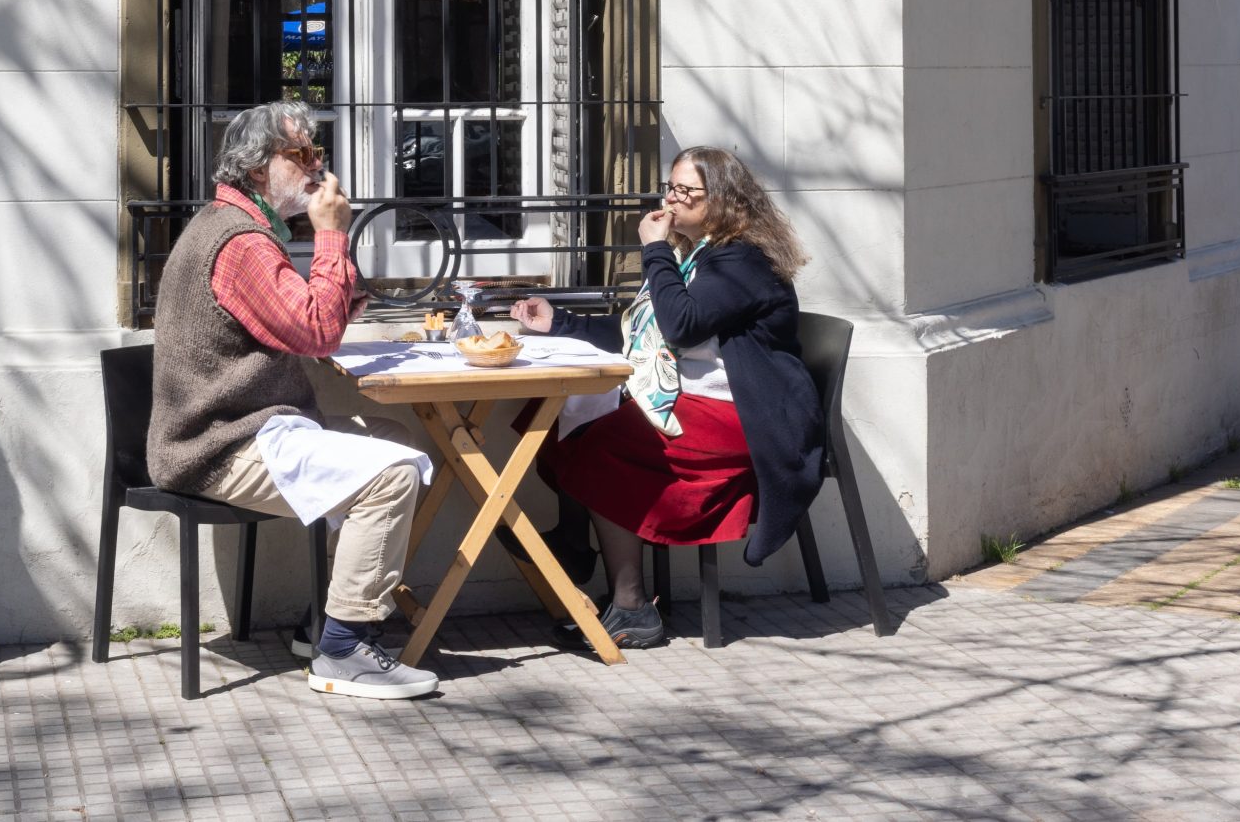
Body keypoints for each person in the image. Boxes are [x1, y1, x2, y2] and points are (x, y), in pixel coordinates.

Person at [148, 99, 438, 700]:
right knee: (390, 476)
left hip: (244, 427)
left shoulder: (243, 229)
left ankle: (324, 620)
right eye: (300, 153)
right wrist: (331, 233)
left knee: (394, 441)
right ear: (258, 169)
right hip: (218, 445)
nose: (315, 166)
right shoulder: (240, 242)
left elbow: (310, 318)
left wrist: (336, 277)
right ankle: (344, 648)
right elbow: (315, 333)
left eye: (317, 153)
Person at [510, 145, 823, 651]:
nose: (672, 200)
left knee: (600, 445)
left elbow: (681, 322)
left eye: (686, 191)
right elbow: (645, 334)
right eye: (670, 187)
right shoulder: (695, 253)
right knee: (559, 412)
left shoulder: (739, 261)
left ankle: (631, 606)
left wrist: (654, 250)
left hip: (743, 417)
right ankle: (572, 545)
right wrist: (560, 323)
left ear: (721, 200)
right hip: (690, 396)